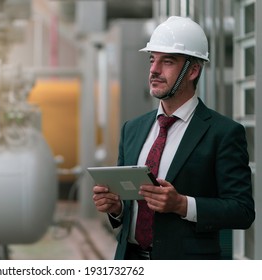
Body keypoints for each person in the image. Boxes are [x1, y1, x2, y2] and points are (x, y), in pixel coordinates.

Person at [92, 16, 255, 260]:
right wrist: (116, 208)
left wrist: (182, 205)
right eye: (152, 59)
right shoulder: (132, 129)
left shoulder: (223, 133)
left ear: (193, 70)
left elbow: (242, 211)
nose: (154, 70)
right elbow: (129, 204)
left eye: (167, 61)